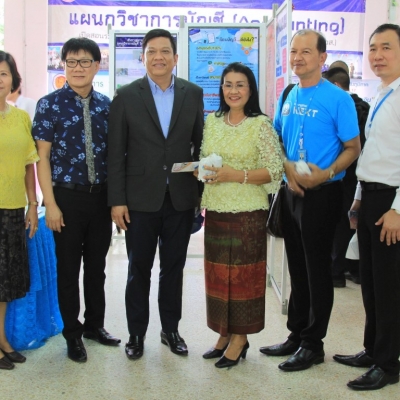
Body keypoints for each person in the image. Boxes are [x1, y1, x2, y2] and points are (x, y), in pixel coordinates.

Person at [259, 29, 360, 372]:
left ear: (322, 58)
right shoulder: (289, 94)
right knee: (297, 268)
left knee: (317, 270)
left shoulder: (338, 99)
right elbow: (275, 137)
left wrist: (326, 173)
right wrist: (287, 168)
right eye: (294, 52)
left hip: (323, 193)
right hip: (291, 191)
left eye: (306, 52)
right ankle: (296, 334)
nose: (298, 58)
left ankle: (313, 344)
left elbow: (353, 148)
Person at [107, 28, 204, 360]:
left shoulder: (193, 93)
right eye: (151, 51)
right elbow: (116, 153)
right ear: (143, 57)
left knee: (174, 268)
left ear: (175, 58)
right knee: (139, 269)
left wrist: (199, 194)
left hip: (180, 197)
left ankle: (170, 329)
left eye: (165, 51)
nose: (158, 57)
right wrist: (117, 200)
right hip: (139, 199)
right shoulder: (126, 95)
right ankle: (136, 333)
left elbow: (200, 145)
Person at [32, 37, 120, 364]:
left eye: (84, 62)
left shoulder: (108, 106)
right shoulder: (49, 105)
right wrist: (50, 204)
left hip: (100, 199)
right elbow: (41, 158)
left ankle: (95, 326)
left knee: (97, 268)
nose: (78, 68)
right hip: (65, 199)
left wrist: (116, 200)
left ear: (97, 66)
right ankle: (72, 333)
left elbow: (116, 157)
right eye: (71, 62)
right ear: (64, 65)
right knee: (68, 270)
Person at [198, 62, 283, 369]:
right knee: (218, 276)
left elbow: (275, 170)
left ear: (250, 90)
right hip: (217, 209)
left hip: (249, 214)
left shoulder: (261, 124)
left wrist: (237, 175)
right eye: (228, 84)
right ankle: (224, 333)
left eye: (240, 85)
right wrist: (203, 171)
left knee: (244, 279)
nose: (233, 91)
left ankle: (240, 338)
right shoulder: (212, 121)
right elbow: (204, 157)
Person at [333, 23, 400, 391]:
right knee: (371, 282)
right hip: (372, 196)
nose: (377, 55)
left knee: (389, 286)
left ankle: (388, 364)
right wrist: (359, 196)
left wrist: (398, 209)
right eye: (373, 48)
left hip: (392, 201)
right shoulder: (382, 93)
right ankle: (373, 350)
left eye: (386, 47)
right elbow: (373, 152)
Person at [0, 51, 39, 370]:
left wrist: (33, 204)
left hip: (13, 208)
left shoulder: (21, 117)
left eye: (3, 74)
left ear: (13, 79)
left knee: (5, 282)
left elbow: (29, 164)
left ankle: (1, 338)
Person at [323, 67, 370, 287]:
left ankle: (336, 271)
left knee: (340, 224)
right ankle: (354, 269)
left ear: (336, 86)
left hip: (342, 176)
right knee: (352, 224)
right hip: (361, 179)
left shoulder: (342, 106)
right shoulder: (366, 107)